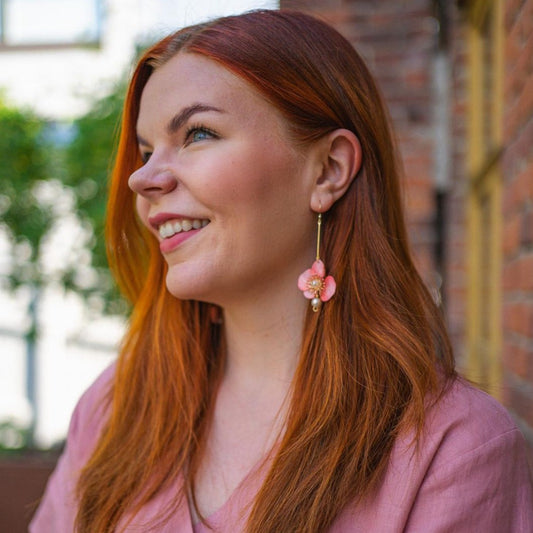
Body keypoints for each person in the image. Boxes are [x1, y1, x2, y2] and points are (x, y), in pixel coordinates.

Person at [30, 9, 532, 533]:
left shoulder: (453, 451)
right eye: (147, 151)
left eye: (198, 134)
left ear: (328, 170)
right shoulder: (116, 408)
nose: (142, 179)